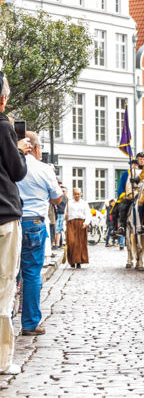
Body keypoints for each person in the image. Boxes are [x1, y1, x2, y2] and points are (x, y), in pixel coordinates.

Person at [16, 131, 63, 336]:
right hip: (34, 223)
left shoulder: (8, 165)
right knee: (32, 274)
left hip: (11, 221)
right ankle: (30, 323)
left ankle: (6, 319)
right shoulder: (43, 169)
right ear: (34, 148)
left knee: (8, 274)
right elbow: (57, 198)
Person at [0, 72, 31, 375]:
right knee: (5, 287)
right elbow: (17, 172)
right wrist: (20, 151)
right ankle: (2, 359)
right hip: (5, 216)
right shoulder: (3, 127)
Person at [65, 188, 90, 268]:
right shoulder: (69, 203)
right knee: (71, 242)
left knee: (80, 243)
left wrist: (86, 223)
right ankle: (72, 261)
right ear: (73, 194)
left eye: (78, 194)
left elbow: (88, 214)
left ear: (81, 194)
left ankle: (79, 261)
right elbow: (65, 213)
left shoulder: (84, 203)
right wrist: (65, 218)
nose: (77, 195)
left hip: (81, 223)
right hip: (71, 223)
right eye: (75, 194)